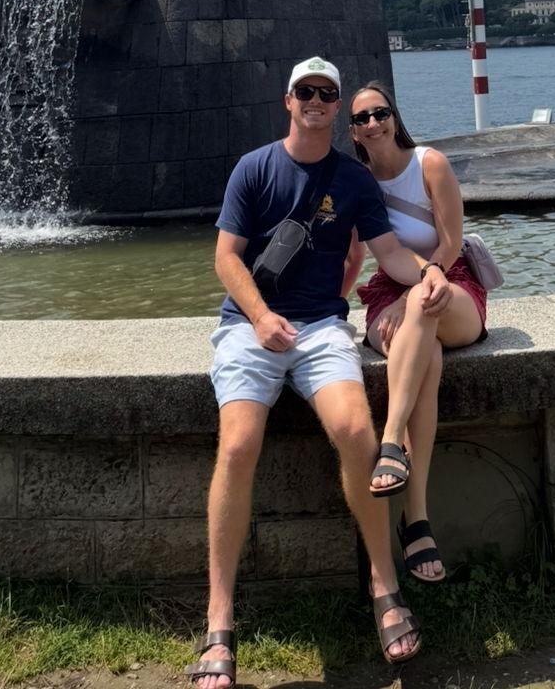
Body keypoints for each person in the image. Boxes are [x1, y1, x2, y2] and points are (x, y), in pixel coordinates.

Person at [188, 57, 453, 688]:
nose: (316, 101)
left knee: (358, 434)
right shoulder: (254, 168)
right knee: (238, 445)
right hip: (248, 329)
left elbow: (389, 253)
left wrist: (432, 275)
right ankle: (219, 622)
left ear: (338, 110)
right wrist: (257, 317)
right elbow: (227, 258)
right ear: (288, 101)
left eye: (327, 94)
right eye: (305, 92)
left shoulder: (352, 181)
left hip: (321, 331)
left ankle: (384, 586)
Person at [343, 80, 487, 584]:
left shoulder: (430, 164)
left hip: (452, 281)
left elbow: (451, 241)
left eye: (380, 113)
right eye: (362, 119)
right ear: (354, 132)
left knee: (424, 306)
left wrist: (427, 280)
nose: (373, 123)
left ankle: (389, 443)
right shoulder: (357, 182)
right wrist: (329, 304)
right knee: (428, 353)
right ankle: (417, 521)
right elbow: (355, 254)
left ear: (394, 117)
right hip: (390, 291)